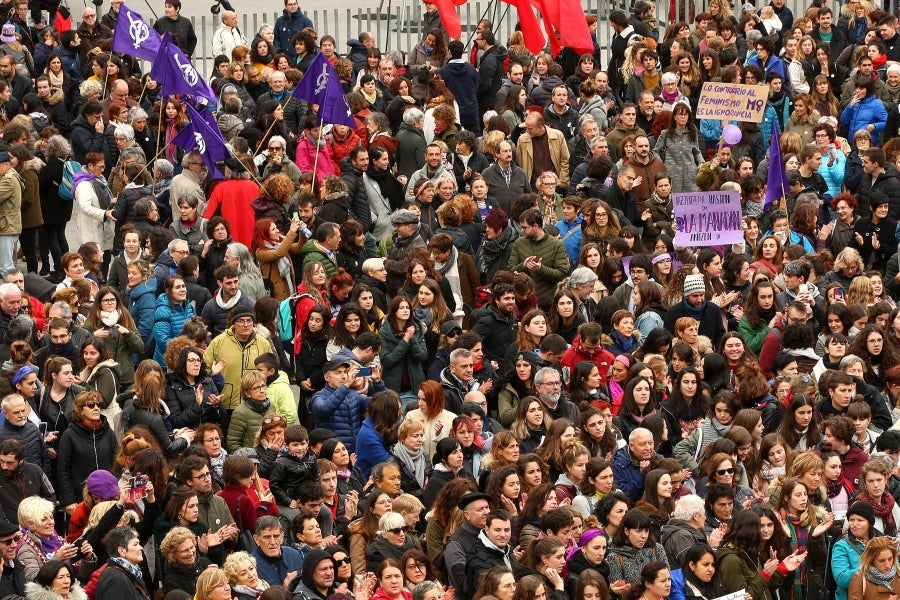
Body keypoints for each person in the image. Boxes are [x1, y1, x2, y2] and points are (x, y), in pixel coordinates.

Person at [848, 536, 900, 600]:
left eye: (890, 559)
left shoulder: (898, 573)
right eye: (882, 561)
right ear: (871, 560)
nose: (888, 565)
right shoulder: (860, 579)